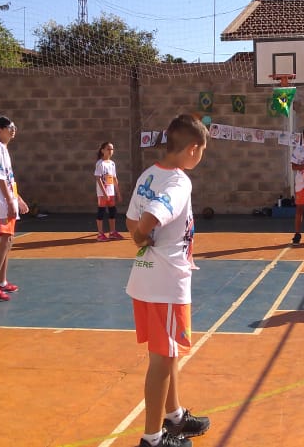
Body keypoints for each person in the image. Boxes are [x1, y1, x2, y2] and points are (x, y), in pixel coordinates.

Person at [125, 114, 211, 447]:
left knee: (168, 352)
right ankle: (152, 438)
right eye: (202, 151)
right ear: (193, 149)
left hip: (146, 277)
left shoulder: (149, 174)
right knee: (162, 360)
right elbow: (149, 217)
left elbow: (131, 218)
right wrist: (142, 235)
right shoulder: (178, 182)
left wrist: (139, 234)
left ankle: (174, 416)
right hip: (166, 281)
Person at [0, 116, 29, 301]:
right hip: (1, 203)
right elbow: (0, 178)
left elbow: (9, 180)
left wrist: (18, 200)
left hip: (8, 201)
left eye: (14, 126)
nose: (13, 129)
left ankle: (2, 282)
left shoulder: (4, 149)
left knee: (8, 241)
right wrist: (9, 202)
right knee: (5, 240)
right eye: (9, 127)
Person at [94, 141, 124, 241]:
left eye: (112, 149)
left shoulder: (112, 163)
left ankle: (112, 232)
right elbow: (98, 178)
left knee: (112, 211)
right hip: (103, 193)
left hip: (111, 192)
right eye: (108, 149)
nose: (110, 151)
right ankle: (100, 234)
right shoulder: (100, 163)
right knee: (101, 212)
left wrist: (118, 193)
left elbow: (114, 179)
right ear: (103, 150)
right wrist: (104, 193)